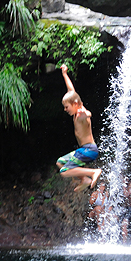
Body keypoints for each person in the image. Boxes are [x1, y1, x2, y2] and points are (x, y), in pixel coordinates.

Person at [56, 64, 102, 192]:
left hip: (89, 150)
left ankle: (93, 172)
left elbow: (88, 115)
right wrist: (64, 74)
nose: (65, 110)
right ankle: (84, 179)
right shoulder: (76, 108)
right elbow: (71, 90)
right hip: (83, 149)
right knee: (60, 162)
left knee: (64, 172)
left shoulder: (81, 113)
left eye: (67, 107)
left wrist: (87, 114)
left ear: (75, 104)